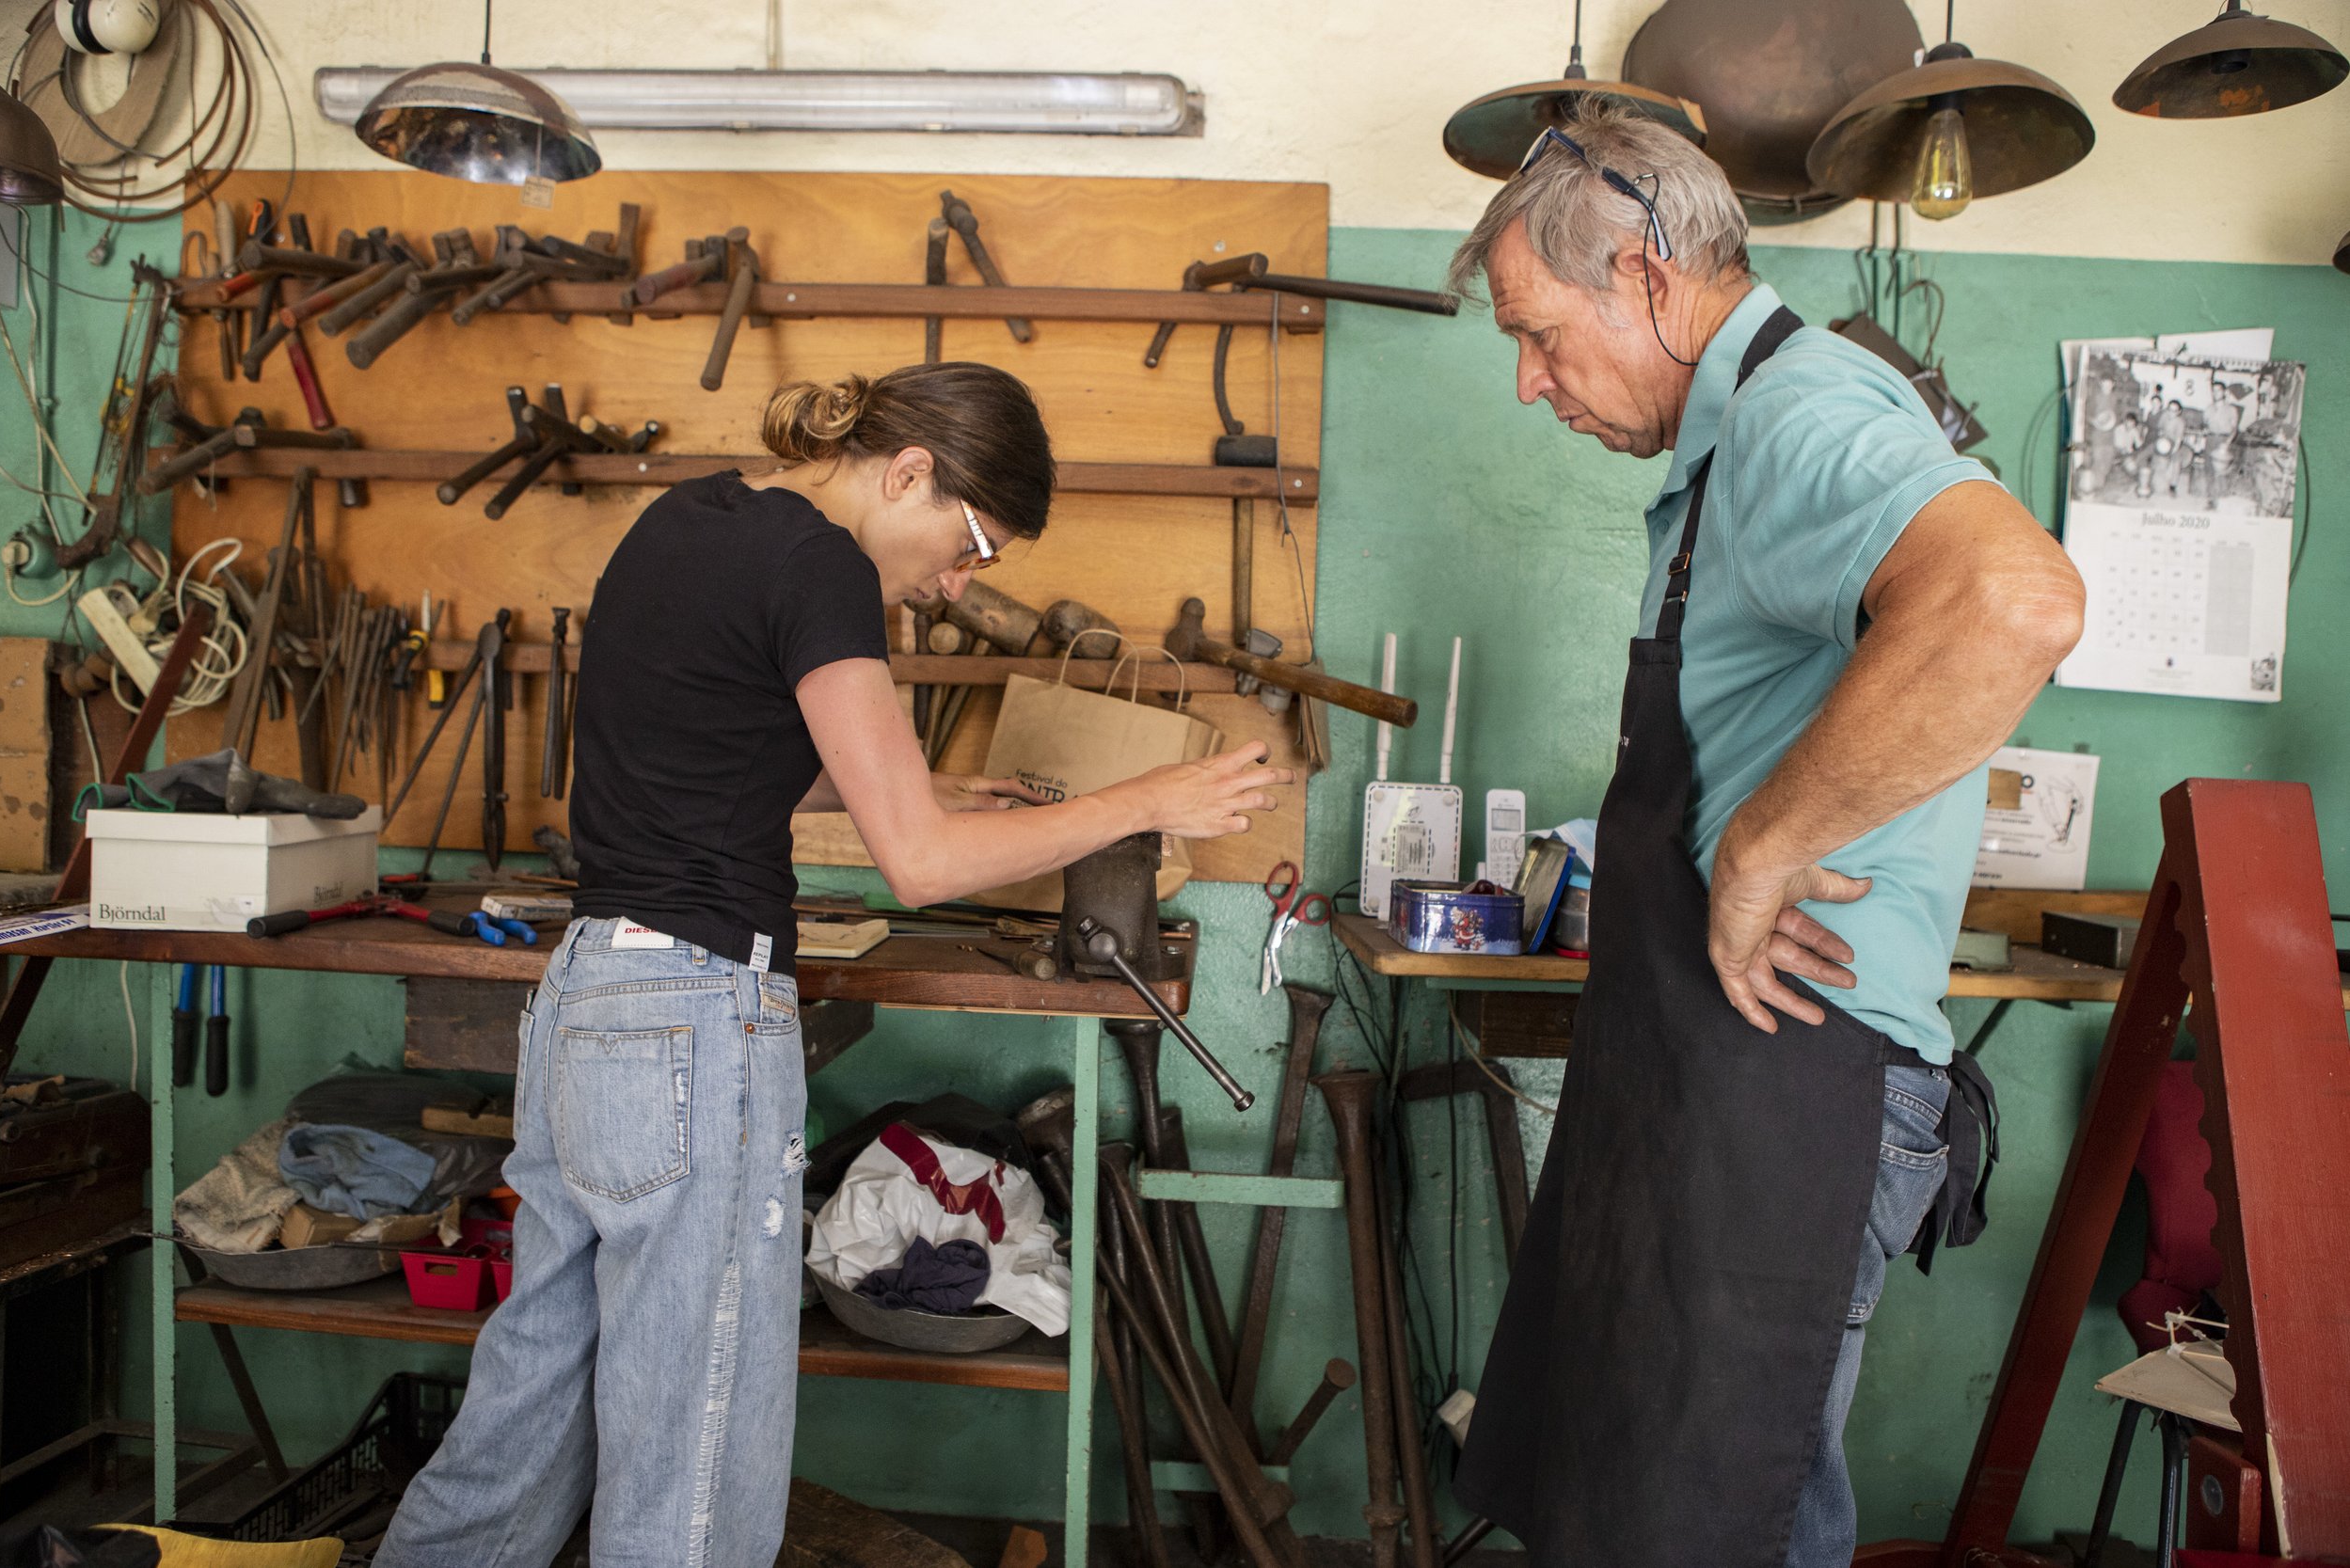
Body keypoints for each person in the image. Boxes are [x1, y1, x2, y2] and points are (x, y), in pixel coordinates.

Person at [374, 362, 1291, 1568]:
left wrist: (912, 779)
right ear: (908, 470)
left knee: (533, 1395)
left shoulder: (689, 516)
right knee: (691, 1442)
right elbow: (919, 864)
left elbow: (707, 735)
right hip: (698, 1024)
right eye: (970, 546)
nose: (958, 586)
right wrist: (1153, 793)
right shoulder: (826, 566)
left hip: (589, 999)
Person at [1441, 106, 2084, 1568]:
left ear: (1655, 282)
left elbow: (2016, 601)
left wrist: (1761, 849)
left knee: (1722, 1521)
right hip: (1705, 1077)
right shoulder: (1731, 441)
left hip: (1786, 1084)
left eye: (1540, 334)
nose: (1533, 384)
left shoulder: (1801, 415)